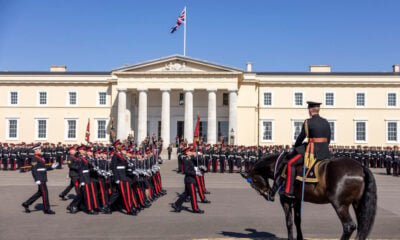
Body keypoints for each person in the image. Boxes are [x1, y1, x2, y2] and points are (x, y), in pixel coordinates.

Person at [283, 101, 331, 199]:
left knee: (291, 163)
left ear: (310, 110)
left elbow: (301, 137)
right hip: (325, 152)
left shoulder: (308, 122)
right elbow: (328, 138)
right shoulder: (326, 122)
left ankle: (289, 190)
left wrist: (296, 147)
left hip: (312, 152)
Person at [22, 144, 58, 214]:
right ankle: (46, 209)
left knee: (40, 193)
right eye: (38, 149)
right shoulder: (34, 158)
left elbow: (43, 168)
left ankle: (26, 203)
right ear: (35, 151)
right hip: (40, 178)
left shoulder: (40, 158)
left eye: (40, 149)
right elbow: (34, 170)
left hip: (43, 177)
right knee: (45, 193)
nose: (40, 150)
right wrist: (36, 179)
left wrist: (51, 167)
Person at [171, 147, 204, 214]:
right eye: (190, 151)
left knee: (186, 194)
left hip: (191, 179)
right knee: (193, 194)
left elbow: (199, 160)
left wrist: (197, 155)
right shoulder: (186, 160)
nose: (191, 152)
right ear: (187, 153)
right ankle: (195, 208)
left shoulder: (191, 159)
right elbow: (186, 171)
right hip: (190, 180)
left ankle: (176, 204)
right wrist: (195, 173)